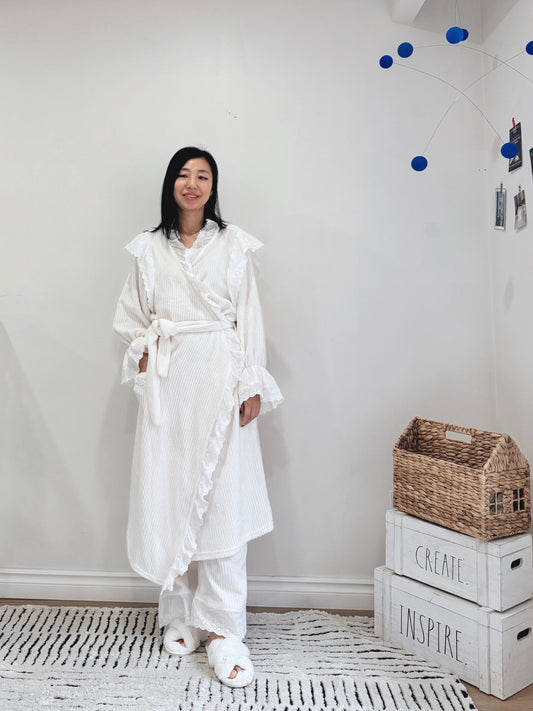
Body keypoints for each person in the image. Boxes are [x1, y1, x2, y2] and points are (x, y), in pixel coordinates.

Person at [113, 147, 282, 687]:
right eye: (184, 175)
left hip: (221, 377)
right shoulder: (147, 249)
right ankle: (181, 611)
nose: (193, 183)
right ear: (171, 184)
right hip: (169, 386)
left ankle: (224, 628)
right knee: (171, 492)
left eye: (203, 176)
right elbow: (130, 315)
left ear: (213, 186)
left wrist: (251, 381)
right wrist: (146, 355)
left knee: (223, 499)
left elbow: (249, 316)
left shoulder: (234, 244)